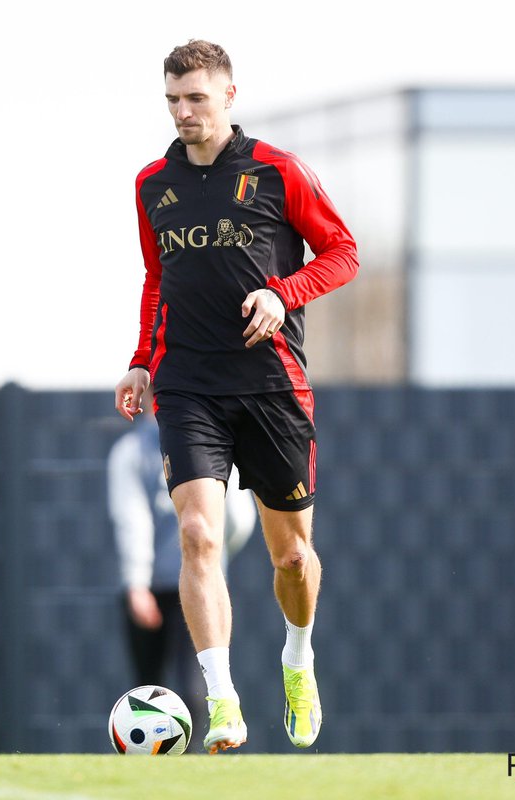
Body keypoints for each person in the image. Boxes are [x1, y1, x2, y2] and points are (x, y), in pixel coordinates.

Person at [113, 40, 359, 753]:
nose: (183, 112)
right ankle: (222, 702)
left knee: (292, 561)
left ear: (228, 96)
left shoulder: (280, 172)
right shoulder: (152, 184)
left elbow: (342, 251)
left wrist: (284, 294)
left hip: (273, 384)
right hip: (189, 385)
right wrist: (140, 363)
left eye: (196, 98)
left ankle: (297, 661)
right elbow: (156, 282)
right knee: (197, 534)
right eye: (172, 100)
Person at [107, 390, 256, 733]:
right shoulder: (131, 453)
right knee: (145, 691)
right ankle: (148, 768)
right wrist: (137, 584)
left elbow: (237, 516)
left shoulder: (213, 446)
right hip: (153, 588)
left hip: (201, 588)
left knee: (193, 690)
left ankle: (196, 764)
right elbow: (131, 519)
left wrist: (214, 559)